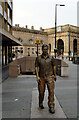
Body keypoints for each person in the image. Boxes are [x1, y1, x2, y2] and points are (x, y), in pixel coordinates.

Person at [35, 44, 56, 114]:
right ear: (42, 49)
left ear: (48, 50)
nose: (45, 50)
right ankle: (40, 102)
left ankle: (51, 106)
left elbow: (54, 66)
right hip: (41, 77)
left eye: (46, 49)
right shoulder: (38, 58)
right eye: (44, 49)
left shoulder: (51, 57)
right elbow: (36, 67)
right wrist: (37, 76)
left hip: (50, 76)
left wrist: (54, 75)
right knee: (41, 92)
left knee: (51, 92)